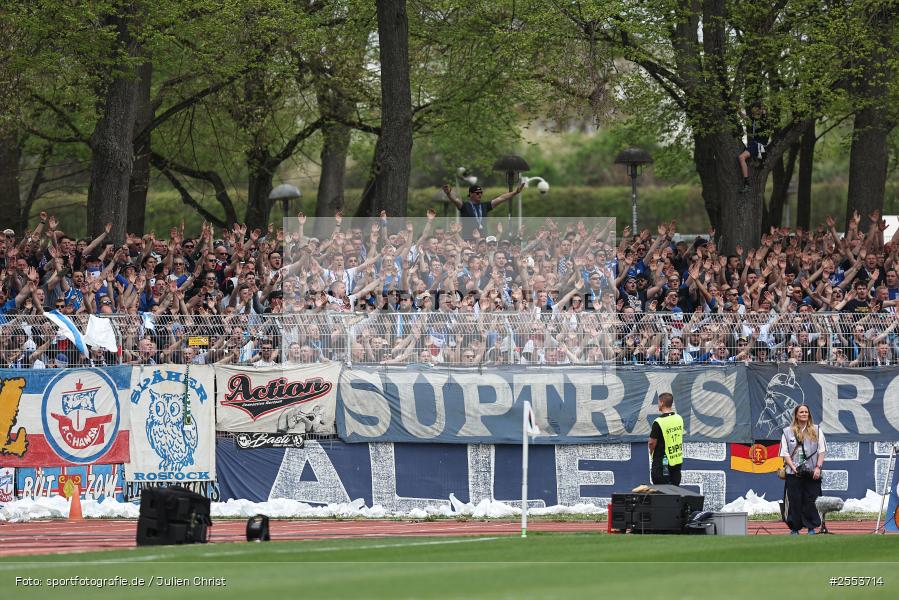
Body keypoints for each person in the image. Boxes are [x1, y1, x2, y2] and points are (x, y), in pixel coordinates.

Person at [779, 404, 827, 535]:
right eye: (801, 412)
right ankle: (795, 528)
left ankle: (811, 527)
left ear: (809, 414)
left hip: (811, 472)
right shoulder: (787, 431)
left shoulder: (817, 430)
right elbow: (784, 452)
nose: (804, 414)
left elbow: (822, 450)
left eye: (806, 412)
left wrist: (818, 467)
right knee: (794, 500)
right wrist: (793, 467)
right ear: (796, 415)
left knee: (811, 500)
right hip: (793, 473)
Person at [441, 182, 525, 237]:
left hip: (483, 241)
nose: (480, 194)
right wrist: (449, 193)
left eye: (481, 193)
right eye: (477, 193)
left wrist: (515, 192)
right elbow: (455, 200)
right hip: (469, 241)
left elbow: (501, 198)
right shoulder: (465, 206)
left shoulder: (485, 205)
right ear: (471, 194)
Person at [648, 392, 684, 485]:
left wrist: (651, 452)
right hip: (676, 462)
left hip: (662, 463)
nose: (658, 405)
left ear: (662, 403)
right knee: (675, 492)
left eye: (658, 402)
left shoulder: (659, 422)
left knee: (662, 493)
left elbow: (652, 443)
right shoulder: (679, 418)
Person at [738, 102, 770, 193]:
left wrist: (763, 111)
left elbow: (764, 115)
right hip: (754, 144)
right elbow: (744, 117)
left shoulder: (764, 120)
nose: (752, 110)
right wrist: (738, 110)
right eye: (753, 108)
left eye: (755, 108)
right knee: (742, 158)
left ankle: (746, 184)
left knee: (741, 157)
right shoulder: (754, 120)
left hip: (758, 146)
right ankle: (746, 183)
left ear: (759, 109)